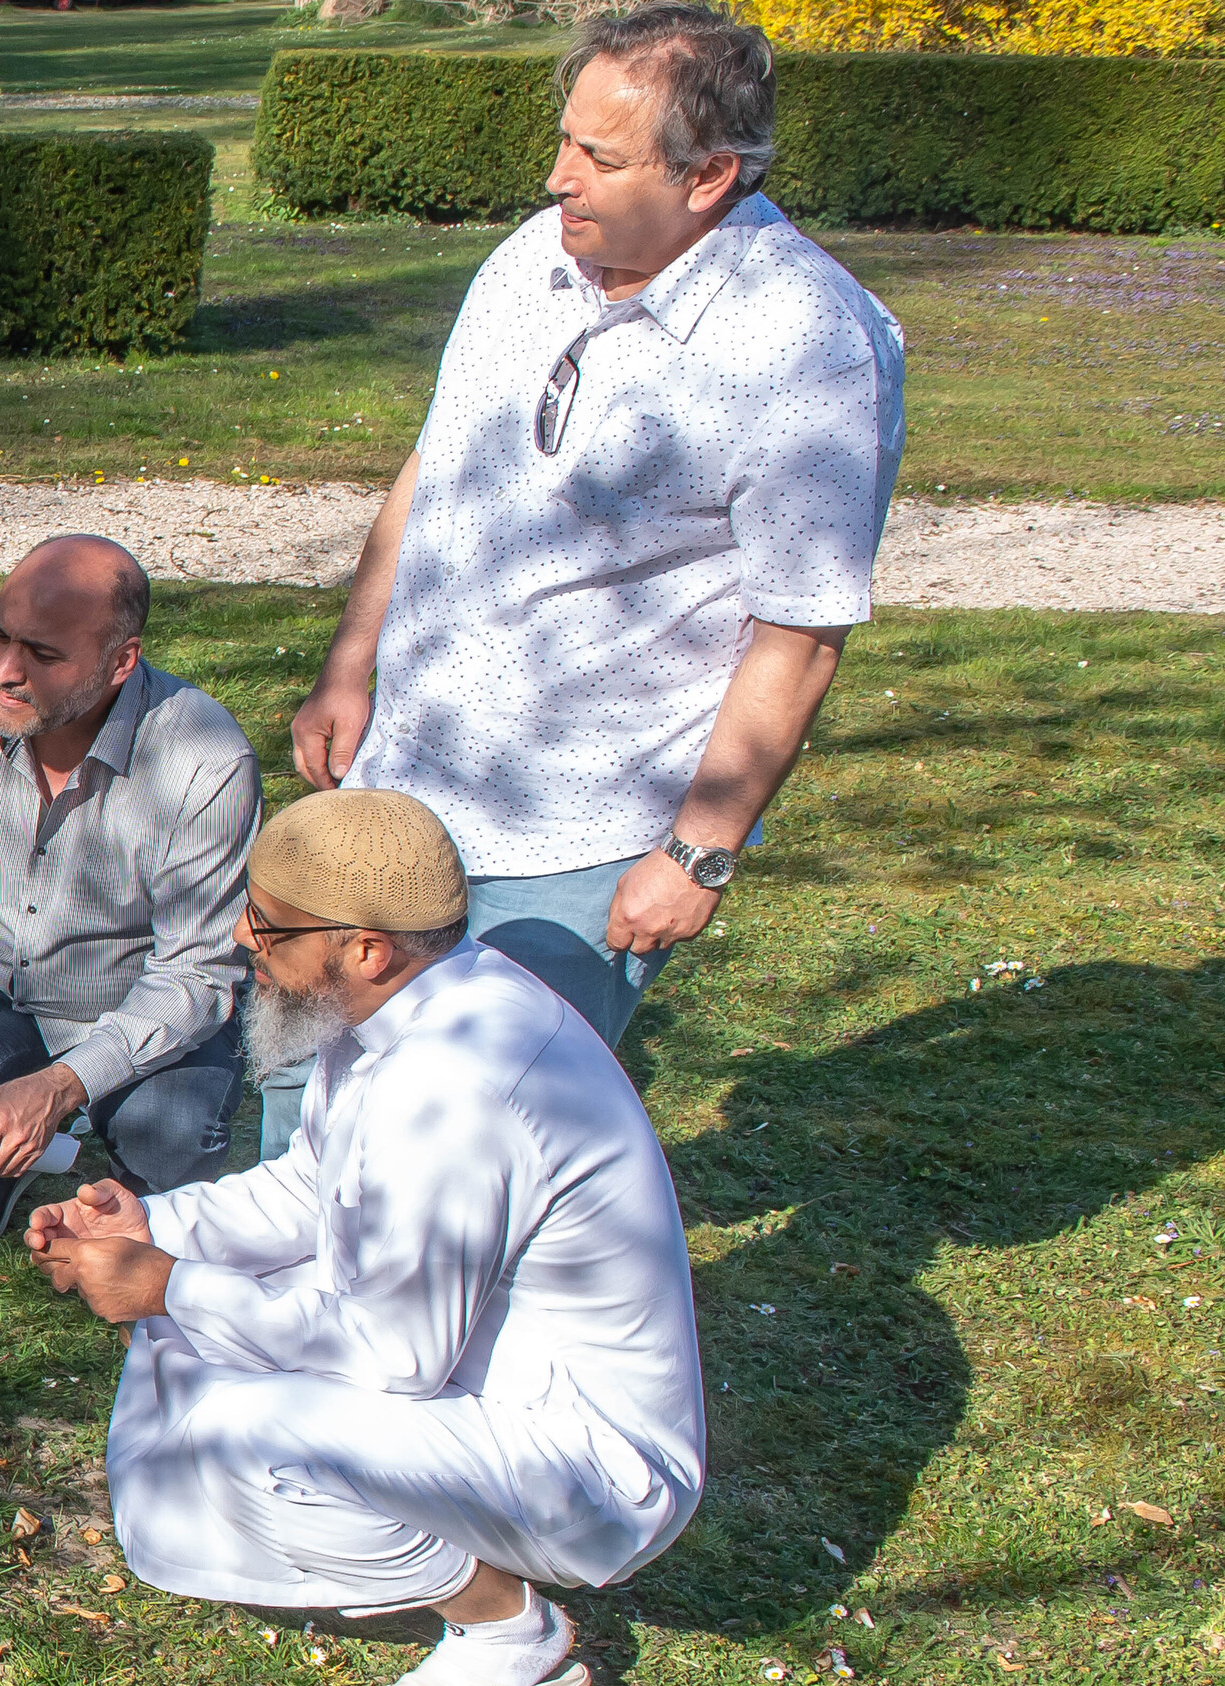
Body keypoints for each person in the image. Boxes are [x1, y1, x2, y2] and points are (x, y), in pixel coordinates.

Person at [271, 2, 903, 1156]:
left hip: (581, 827)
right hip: (406, 768)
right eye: (567, 141)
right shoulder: (534, 257)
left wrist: (698, 853)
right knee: (301, 1081)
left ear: (709, 175)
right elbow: (436, 464)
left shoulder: (811, 342)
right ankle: (275, 1328)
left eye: (599, 157)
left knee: (473, 1137)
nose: (559, 177)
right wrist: (349, 666)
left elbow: (800, 630)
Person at [29, 790, 704, 1686]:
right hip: (482, 1370)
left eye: (268, 922)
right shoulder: (400, 1011)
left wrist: (168, 1282)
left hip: (588, 1459)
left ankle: (510, 1634)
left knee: (235, 1422)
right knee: (191, 1342)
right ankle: (355, 1546)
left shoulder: (456, 1088)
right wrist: (151, 1226)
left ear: (366, 948)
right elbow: (312, 1189)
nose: (241, 935)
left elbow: (397, 1357)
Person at [0, 535, 258, 1251]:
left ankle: (124, 1204)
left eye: (42, 655)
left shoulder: (204, 756)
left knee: (172, 1132)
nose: (5, 671)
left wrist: (61, 1086)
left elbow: (199, 970)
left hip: (135, 1006)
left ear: (120, 661)